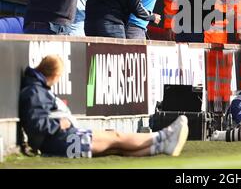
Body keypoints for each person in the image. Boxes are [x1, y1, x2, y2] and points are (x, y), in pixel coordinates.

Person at [19, 55, 189, 157]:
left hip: (63, 139)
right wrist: (59, 124)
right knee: (115, 137)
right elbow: (36, 124)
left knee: (115, 147)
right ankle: (163, 136)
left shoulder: (37, 88)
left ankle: (161, 146)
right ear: (55, 74)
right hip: (62, 140)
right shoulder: (35, 91)